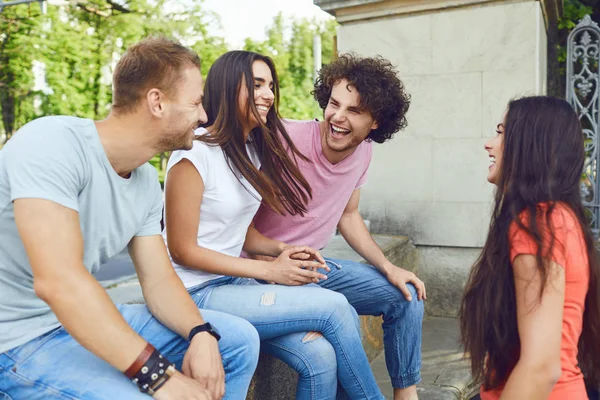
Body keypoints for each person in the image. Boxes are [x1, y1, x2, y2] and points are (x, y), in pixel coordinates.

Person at [0, 37, 260, 400]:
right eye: (196, 102)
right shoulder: (50, 144)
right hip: (16, 341)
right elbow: (59, 282)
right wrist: (159, 377)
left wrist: (200, 333)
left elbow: (158, 282)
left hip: (75, 323)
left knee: (236, 341)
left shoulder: (144, 184)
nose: (203, 116)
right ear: (157, 102)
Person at [163, 50, 384, 400]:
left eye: (270, 85)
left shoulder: (248, 151)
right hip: (193, 294)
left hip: (233, 285)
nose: (268, 94)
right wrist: (269, 271)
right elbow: (182, 249)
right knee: (335, 307)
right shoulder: (194, 155)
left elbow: (238, 229)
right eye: (256, 85)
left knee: (321, 357)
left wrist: (281, 249)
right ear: (226, 87)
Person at [249, 53, 424, 400]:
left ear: (375, 122)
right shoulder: (284, 140)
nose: (338, 118)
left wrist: (388, 267)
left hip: (312, 270)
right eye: (334, 104)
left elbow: (348, 215)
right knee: (329, 347)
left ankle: (406, 394)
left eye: (354, 111)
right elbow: (233, 221)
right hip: (258, 273)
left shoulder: (364, 152)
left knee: (407, 297)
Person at [459, 96, 600, 399]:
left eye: (501, 132)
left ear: (528, 144)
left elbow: (541, 367)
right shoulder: (558, 217)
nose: (489, 143)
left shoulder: (538, 225)